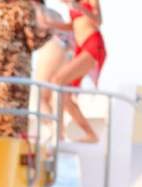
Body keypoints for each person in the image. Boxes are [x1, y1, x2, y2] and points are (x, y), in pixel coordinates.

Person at [0, 0, 49, 138]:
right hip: (16, 80)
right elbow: (33, 42)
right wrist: (49, 34)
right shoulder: (24, 9)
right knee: (13, 124)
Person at [41, 0, 105, 142]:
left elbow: (98, 21)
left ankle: (59, 132)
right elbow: (74, 25)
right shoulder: (73, 4)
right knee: (65, 97)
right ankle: (89, 134)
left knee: (57, 80)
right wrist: (52, 24)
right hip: (81, 48)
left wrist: (81, 9)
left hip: (92, 45)